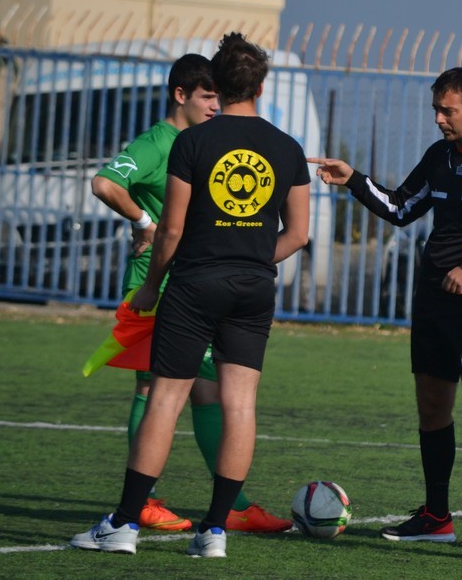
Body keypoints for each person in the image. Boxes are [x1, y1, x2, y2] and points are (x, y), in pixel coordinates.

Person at [71, 32, 310, 557]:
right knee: (239, 404)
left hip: (194, 283)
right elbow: (297, 235)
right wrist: (250, 259)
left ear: (218, 85)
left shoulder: (193, 142)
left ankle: (124, 524)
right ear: (262, 87)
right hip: (254, 289)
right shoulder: (288, 148)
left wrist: (150, 286)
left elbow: (172, 230)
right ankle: (216, 531)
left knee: (165, 396)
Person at [307, 67, 462, 546]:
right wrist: (353, 180)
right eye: (436, 109)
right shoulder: (439, 156)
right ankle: (437, 516)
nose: (439, 119)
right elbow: (401, 207)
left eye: (448, 110)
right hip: (433, 300)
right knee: (432, 406)